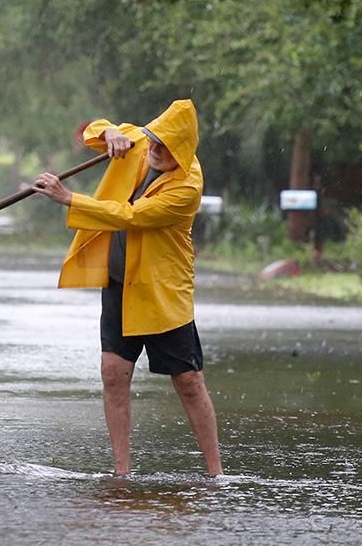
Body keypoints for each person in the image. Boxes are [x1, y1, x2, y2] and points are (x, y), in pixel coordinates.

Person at [32, 99, 223, 476]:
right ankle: (121, 472)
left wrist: (69, 198)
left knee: (188, 381)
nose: (154, 149)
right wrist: (111, 132)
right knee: (113, 373)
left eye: (164, 148)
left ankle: (216, 473)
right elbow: (90, 130)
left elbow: (131, 217)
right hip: (121, 282)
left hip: (160, 291)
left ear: (181, 153)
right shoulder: (143, 141)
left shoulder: (187, 187)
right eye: (153, 141)